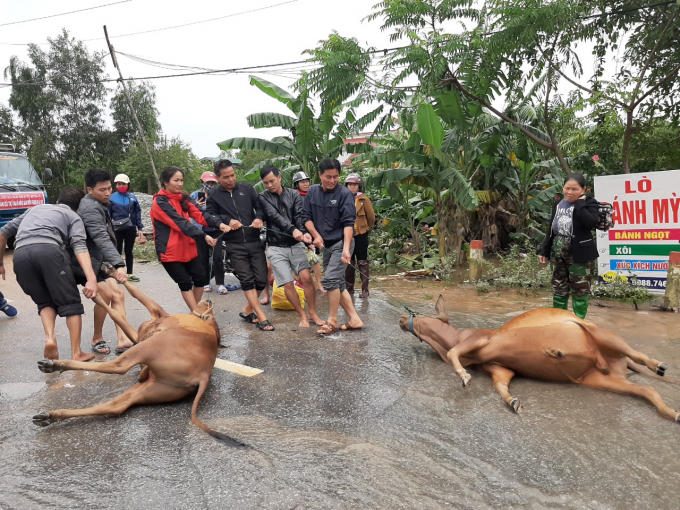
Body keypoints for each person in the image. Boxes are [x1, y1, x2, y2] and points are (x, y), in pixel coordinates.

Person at [0, 187, 98, 361]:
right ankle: (77, 353)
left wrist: (0, 262)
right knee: (71, 303)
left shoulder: (35, 209)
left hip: (20, 255)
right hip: (49, 250)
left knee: (45, 302)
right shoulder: (73, 216)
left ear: (58, 201)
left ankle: (50, 338)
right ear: (79, 206)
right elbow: (79, 246)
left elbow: (3, 232)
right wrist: (91, 278)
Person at [204, 159, 274, 331]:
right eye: (226, 177)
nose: (231, 179)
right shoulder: (214, 195)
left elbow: (260, 207)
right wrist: (226, 221)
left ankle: (247, 309)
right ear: (219, 178)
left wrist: (258, 218)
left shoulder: (247, 189)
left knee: (261, 279)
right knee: (247, 280)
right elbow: (209, 215)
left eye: (233, 175)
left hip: (254, 240)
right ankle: (261, 316)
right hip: (234, 244)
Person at [303, 159, 364, 335]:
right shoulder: (312, 192)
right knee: (338, 283)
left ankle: (332, 320)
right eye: (328, 177)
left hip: (341, 243)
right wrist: (316, 235)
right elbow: (305, 216)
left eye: (336, 177)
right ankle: (355, 319)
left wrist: (346, 249)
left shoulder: (345, 194)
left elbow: (348, 224)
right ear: (320, 175)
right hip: (326, 244)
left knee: (329, 281)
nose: (332, 180)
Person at [259, 165, 323, 328]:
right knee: (287, 283)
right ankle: (302, 315)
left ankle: (313, 313)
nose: (270, 185)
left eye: (272, 181)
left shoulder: (293, 194)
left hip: (296, 245)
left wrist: (304, 233)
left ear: (279, 178)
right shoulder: (263, 197)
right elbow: (274, 217)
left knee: (307, 278)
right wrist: (293, 230)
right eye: (266, 183)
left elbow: (299, 216)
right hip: (275, 247)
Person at [151, 166, 221, 312]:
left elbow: (199, 215)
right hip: (169, 251)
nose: (180, 184)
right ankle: (196, 313)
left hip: (188, 248)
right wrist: (204, 235)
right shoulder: (160, 202)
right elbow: (180, 224)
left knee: (201, 279)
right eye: (176, 180)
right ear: (165, 182)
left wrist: (220, 223)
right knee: (184, 282)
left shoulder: (183, 197)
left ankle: (193, 313)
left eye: (181, 180)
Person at [78, 169, 132, 355]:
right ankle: (97, 338)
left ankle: (123, 339)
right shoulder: (90, 208)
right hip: (89, 260)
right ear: (90, 190)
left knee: (118, 295)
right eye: (102, 190)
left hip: (100, 258)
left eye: (109, 188)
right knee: (107, 295)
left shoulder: (99, 203)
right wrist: (119, 264)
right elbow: (101, 238)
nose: (108, 192)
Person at [539, 172, 599, 319]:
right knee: (559, 287)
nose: (570, 192)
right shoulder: (558, 205)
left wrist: (579, 204)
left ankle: (579, 322)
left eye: (575, 189)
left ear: (583, 190)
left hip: (580, 253)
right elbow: (551, 229)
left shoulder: (590, 203)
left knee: (580, 289)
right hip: (557, 251)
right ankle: (559, 320)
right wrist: (544, 251)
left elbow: (591, 222)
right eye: (567, 188)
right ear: (563, 188)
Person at [190, 170, 230, 295]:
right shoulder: (194, 196)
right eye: (208, 182)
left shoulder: (219, 196)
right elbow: (188, 214)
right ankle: (206, 282)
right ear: (202, 182)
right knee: (203, 258)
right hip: (201, 232)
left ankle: (220, 283)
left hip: (216, 231)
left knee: (218, 257)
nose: (211, 185)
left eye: (213, 182)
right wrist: (195, 206)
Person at [293, 170, 325, 293]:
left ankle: (319, 284)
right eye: (302, 182)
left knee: (314, 259)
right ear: (297, 184)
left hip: (314, 231)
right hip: (300, 233)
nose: (305, 184)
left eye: (307, 181)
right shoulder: (295, 196)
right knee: (301, 262)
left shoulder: (313, 194)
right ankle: (299, 286)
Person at [344, 173, 375, 298]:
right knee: (349, 261)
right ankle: (349, 288)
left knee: (362, 261)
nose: (352, 187)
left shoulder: (363, 199)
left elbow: (371, 217)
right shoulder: (343, 198)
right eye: (350, 184)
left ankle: (365, 290)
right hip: (348, 234)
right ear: (346, 186)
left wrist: (365, 227)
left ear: (358, 186)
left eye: (354, 184)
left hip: (361, 234)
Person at [110, 173, 145, 282]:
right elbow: (108, 214)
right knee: (117, 250)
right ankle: (117, 273)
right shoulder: (111, 198)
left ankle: (129, 273)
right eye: (119, 184)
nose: (121, 186)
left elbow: (137, 213)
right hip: (117, 228)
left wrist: (140, 228)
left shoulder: (132, 198)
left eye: (123, 184)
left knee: (129, 251)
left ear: (128, 185)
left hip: (130, 228)